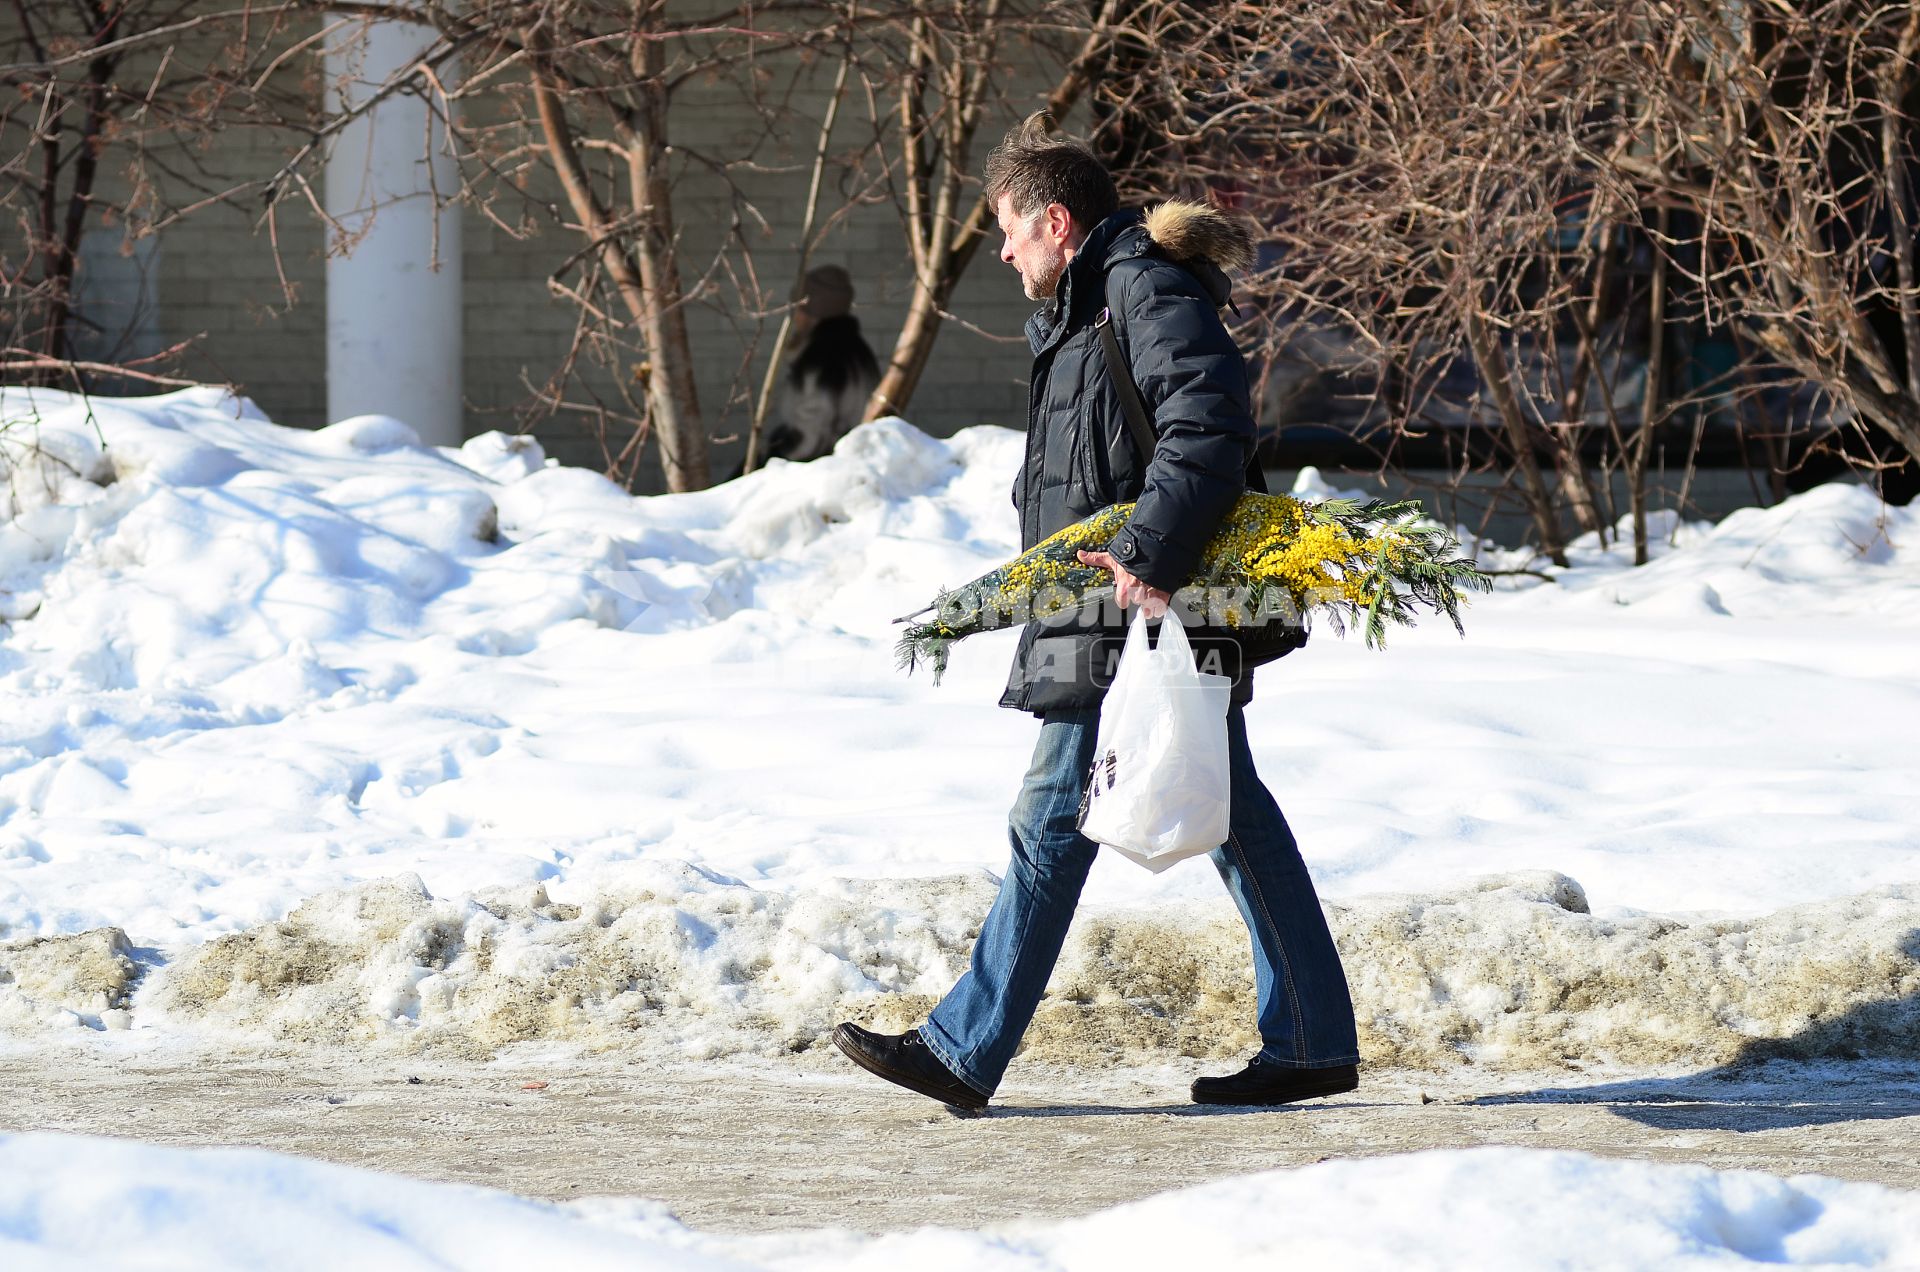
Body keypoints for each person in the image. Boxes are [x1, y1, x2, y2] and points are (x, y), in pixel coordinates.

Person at [832, 114, 1359, 1112]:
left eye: (1010, 230)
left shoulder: (1138, 291)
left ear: (1058, 221)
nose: (1002, 250)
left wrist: (1149, 556)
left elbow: (1206, 426)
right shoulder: (1093, 305)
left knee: (1049, 821)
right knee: (1233, 815)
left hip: (1135, 608)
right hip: (1118, 607)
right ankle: (1310, 1039)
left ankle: (963, 1048)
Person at [743, 265, 880, 474]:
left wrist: (777, 459)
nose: (794, 315)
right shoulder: (854, 350)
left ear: (811, 311)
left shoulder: (824, 360)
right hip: (840, 466)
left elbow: (813, 431)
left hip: (821, 474)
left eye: (798, 307)